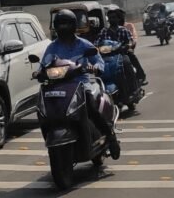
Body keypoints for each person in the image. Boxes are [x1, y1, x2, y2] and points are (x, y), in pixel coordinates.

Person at [42, 9, 121, 159]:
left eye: (66, 24)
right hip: (59, 86)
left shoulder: (84, 44)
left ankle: (110, 137)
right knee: (46, 109)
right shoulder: (52, 47)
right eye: (60, 24)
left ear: (73, 25)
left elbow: (98, 60)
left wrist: (96, 67)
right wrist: (39, 72)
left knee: (90, 106)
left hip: (81, 84)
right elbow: (44, 64)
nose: (63, 27)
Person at [100, 5, 147, 86]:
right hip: (108, 55)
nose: (112, 19)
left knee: (128, 59)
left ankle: (137, 81)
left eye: (114, 17)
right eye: (110, 18)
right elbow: (98, 43)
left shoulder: (124, 30)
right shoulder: (104, 31)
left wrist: (128, 46)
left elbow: (130, 41)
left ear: (118, 19)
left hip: (121, 54)